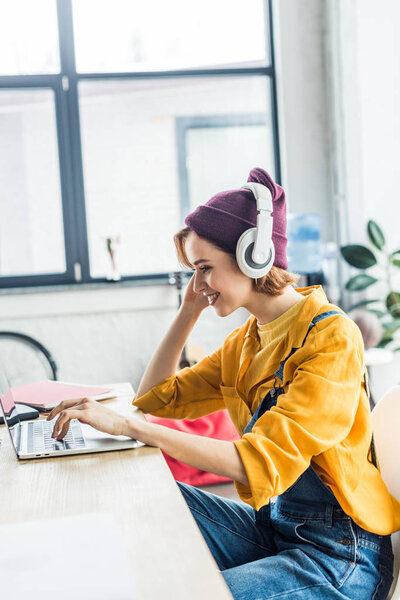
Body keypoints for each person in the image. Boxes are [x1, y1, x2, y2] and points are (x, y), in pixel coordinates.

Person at [48, 168, 399, 599]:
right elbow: (154, 398)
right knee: (151, 495)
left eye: (204, 268)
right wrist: (188, 311)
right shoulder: (245, 342)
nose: (199, 283)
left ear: (253, 257)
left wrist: (130, 428)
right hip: (276, 532)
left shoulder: (331, 337)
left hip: (340, 558)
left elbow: (255, 461)